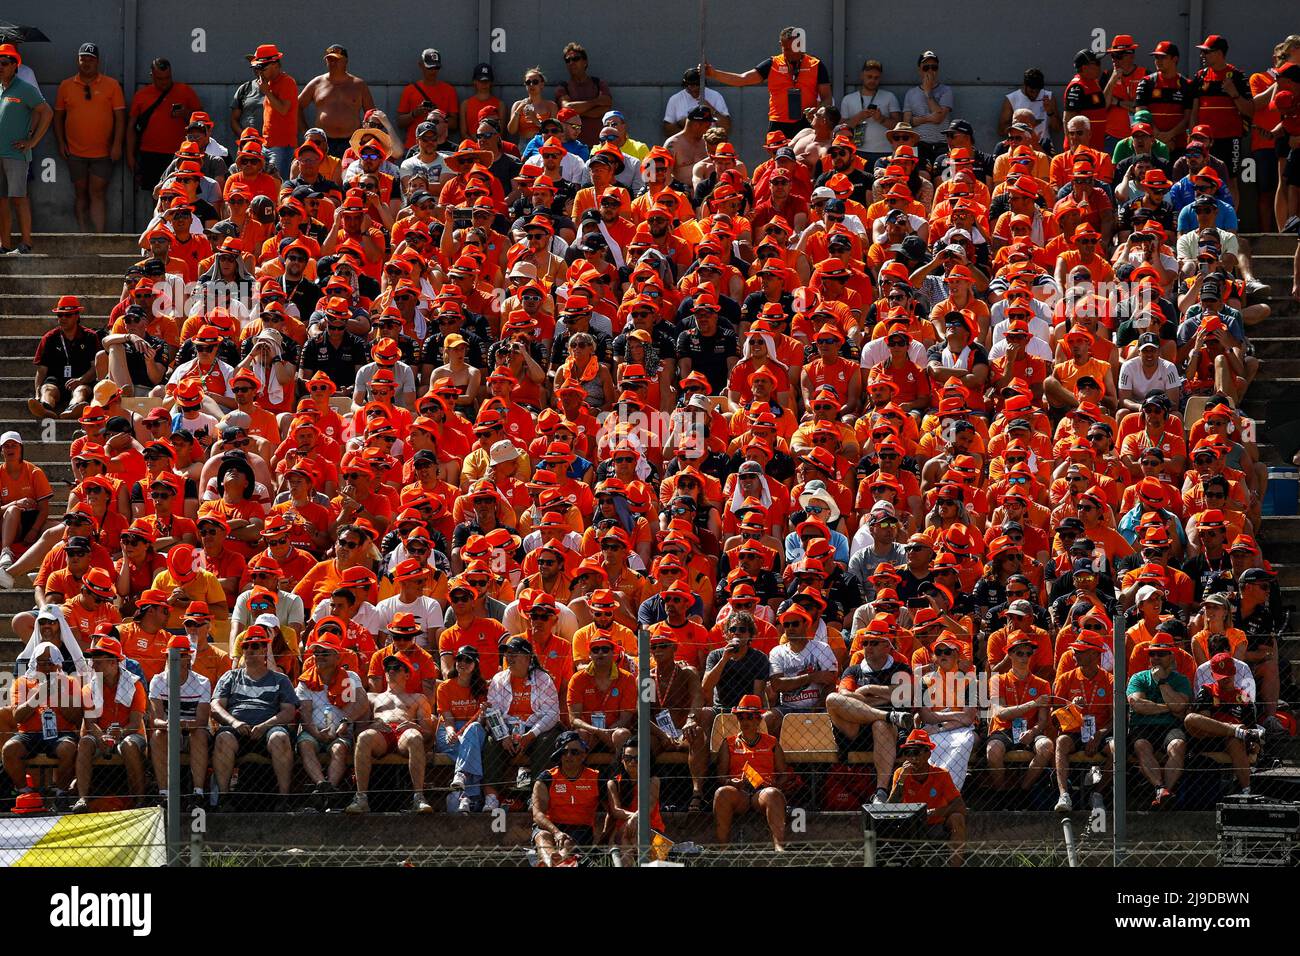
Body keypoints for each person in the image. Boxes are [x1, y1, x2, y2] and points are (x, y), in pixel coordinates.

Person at [210, 627, 299, 811]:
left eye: (255, 646)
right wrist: (234, 722)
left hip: (269, 731)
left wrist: (265, 725)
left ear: (265, 649)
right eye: (246, 646)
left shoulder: (280, 679)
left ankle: (284, 799)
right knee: (222, 738)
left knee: (280, 738)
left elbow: (289, 712)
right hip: (236, 730)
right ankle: (224, 800)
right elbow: (215, 706)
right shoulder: (230, 677)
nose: (249, 650)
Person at [704, 27, 831, 139]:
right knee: (778, 162)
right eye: (786, 49)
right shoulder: (772, 64)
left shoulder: (816, 65)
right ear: (780, 44)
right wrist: (714, 74)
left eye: (793, 49)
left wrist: (818, 111)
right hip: (779, 123)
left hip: (806, 122)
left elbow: (827, 98)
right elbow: (742, 79)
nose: (789, 53)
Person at [346, 652, 435, 814]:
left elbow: (428, 734)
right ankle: (361, 799)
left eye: (396, 668)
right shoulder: (372, 697)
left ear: (407, 674)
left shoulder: (418, 698)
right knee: (364, 737)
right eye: (387, 668)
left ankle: (419, 798)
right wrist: (374, 724)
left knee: (415, 737)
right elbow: (359, 729)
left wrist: (415, 727)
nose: (390, 671)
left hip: (406, 734)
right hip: (380, 734)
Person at [53, 43, 125, 233]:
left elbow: (120, 118)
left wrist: (117, 144)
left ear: (97, 61)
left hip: (103, 152)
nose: (86, 63)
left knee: (97, 193)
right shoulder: (66, 85)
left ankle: (99, 237)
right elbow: (58, 117)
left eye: (90, 59)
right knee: (80, 194)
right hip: (75, 152)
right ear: (78, 61)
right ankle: (84, 235)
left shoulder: (112, 85)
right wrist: (61, 143)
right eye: (83, 58)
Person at [72, 635, 147, 812]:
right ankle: (82, 799)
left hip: (129, 734)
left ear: (113, 662)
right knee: (84, 742)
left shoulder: (135, 685)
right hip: (99, 734)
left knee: (129, 745)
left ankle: (140, 800)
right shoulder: (89, 687)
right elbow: (90, 723)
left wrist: (119, 733)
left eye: (98, 662)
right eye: (93, 661)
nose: (93, 666)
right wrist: (102, 737)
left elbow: (135, 723)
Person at [3, 642, 82, 800]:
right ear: (34, 663)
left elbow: (77, 718)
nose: (47, 667)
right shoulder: (21, 683)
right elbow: (18, 716)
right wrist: (38, 695)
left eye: (51, 662)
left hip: (61, 733)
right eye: (42, 662)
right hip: (30, 733)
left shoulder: (70, 682)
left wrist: (58, 693)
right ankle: (25, 792)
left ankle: (61, 794)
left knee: (68, 748)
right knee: (9, 749)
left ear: (58, 663)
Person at [713, 693, 789, 850]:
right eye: (741, 717)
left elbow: (784, 774)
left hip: (761, 793)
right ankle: (722, 849)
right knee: (721, 792)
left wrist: (775, 785)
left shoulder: (772, 742)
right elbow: (720, 776)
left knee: (773, 794)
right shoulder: (728, 743)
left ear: (759, 719)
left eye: (749, 717)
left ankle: (779, 848)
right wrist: (730, 782)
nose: (745, 721)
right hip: (739, 792)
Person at [1127, 634, 1192, 808]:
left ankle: (1165, 793)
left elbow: (1180, 705)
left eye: (1161, 653)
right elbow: (1137, 705)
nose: (1155, 657)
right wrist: (1168, 707)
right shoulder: (1138, 678)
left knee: (1177, 744)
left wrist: (1163, 682)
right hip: (1142, 726)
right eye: (1152, 653)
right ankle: (1160, 789)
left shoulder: (1180, 680)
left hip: (1170, 727)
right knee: (1141, 745)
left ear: (1171, 655)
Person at [147, 633, 211, 808]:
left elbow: (202, 720)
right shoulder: (157, 681)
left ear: (188, 658)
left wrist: (184, 724)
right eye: (170, 655)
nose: (173, 659)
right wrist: (169, 725)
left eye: (180, 655)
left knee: (198, 734)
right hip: (169, 732)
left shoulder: (202, 682)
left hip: (192, 731)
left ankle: (198, 793)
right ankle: (164, 793)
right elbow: (156, 720)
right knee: (157, 735)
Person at [0, 44, 53, 255]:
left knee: (18, 198)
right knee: (2, 200)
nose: (0, 67)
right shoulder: (0, 88)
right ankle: (4, 244)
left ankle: (26, 243)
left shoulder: (24, 88)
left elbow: (46, 112)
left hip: (16, 154)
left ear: (15, 66)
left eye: (4, 63)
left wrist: (32, 142)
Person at [888, 728, 966, 863]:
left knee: (957, 818)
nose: (912, 758)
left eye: (916, 752)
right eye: (908, 753)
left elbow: (960, 806)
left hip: (936, 823)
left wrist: (932, 813)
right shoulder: (900, 773)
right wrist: (901, 781)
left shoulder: (941, 774)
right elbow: (890, 807)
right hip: (910, 826)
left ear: (928, 754)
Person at [127, 57, 202, 193]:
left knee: (183, 191)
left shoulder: (185, 91)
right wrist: (130, 155)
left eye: (167, 78)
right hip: (150, 154)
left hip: (180, 154)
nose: (164, 82)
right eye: (160, 79)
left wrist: (186, 113)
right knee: (156, 193)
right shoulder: (141, 95)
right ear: (152, 76)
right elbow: (131, 127)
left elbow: (202, 122)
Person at [531, 729, 602, 865]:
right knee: (542, 836)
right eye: (564, 752)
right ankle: (552, 862)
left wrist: (604, 835)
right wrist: (556, 832)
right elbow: (537, 815)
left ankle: (554, 862)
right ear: (559, 755)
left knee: (568, 843)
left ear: (583, 755)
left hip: (581, 829)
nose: (569, 756)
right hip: (550, 826)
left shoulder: (596, 778)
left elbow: (612, 810)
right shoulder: (546, 778)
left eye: (574, 752)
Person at [298, 45, 375, 157]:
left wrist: (365, 137)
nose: (333, 63)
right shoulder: (317, 83)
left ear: (346, 61)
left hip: (352, 142)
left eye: (337, 59)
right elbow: (297, 106)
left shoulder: (359, 85)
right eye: (330, 59)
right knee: (323, 173)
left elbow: (371, 114)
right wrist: (306, 132)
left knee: (349, 173)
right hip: (322, 143)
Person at [246, 43, 298, 179]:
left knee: (277, 182)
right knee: (265, 181)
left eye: (262, 68)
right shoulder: (268, 84)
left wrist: (267, 92)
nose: (259, 72)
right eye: (257, 68)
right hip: (267, 144)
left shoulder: (287, 82)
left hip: (282, 145)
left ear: (275, 65)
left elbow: (283, 109)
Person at [841, 59, 901, 167]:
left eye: (876, 78)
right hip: (857, 151)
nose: (872, 80)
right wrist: (859, 117)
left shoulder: (889, 97)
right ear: (862, 76)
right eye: (869, 77)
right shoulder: (848, 99)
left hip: (885, 151)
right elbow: (841, 129)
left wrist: (881, 119)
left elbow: (898, 126)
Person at [398, 48, 459, 148]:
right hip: (414, 146)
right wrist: (414, 114)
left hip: (439, 146)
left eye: (436, 68)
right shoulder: (410, 90)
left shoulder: (449, 90)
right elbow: (400, 122)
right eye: (429, 67)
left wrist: (439, 116)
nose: (433, 71)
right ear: (420, 65)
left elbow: (454, 125)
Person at [554, 43, 612, 146]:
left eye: (576, 59)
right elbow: (567, 108)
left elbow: (607, 103)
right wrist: (596, 102)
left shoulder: (598, 83)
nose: (571, 62)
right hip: (572, 147)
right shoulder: (563, 87)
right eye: (568, 60)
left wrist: (575, 115)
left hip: (598, 145)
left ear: (585, 62)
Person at [903, 51, 953, 167]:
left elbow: (939, 118)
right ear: (920, 70)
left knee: (942, 178)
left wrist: (928, 92)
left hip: (942, 144)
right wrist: (929, 117)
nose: (930, 71)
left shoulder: (946, 91)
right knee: (922, 177)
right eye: (926, 67)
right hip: (919, 144)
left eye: (934, 67)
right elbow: (907, 124)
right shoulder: (911, 93)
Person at [663, 67, 731, 138]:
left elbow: (726, 127)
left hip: (710, 144)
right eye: (691, 85)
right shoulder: (675, 99)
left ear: (703, 84)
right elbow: (667, 129)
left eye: (697, 85)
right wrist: (687, 130)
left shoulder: (715, 96)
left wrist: (711, 109)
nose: (694, 88)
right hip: (686, 145)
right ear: (685, 85)